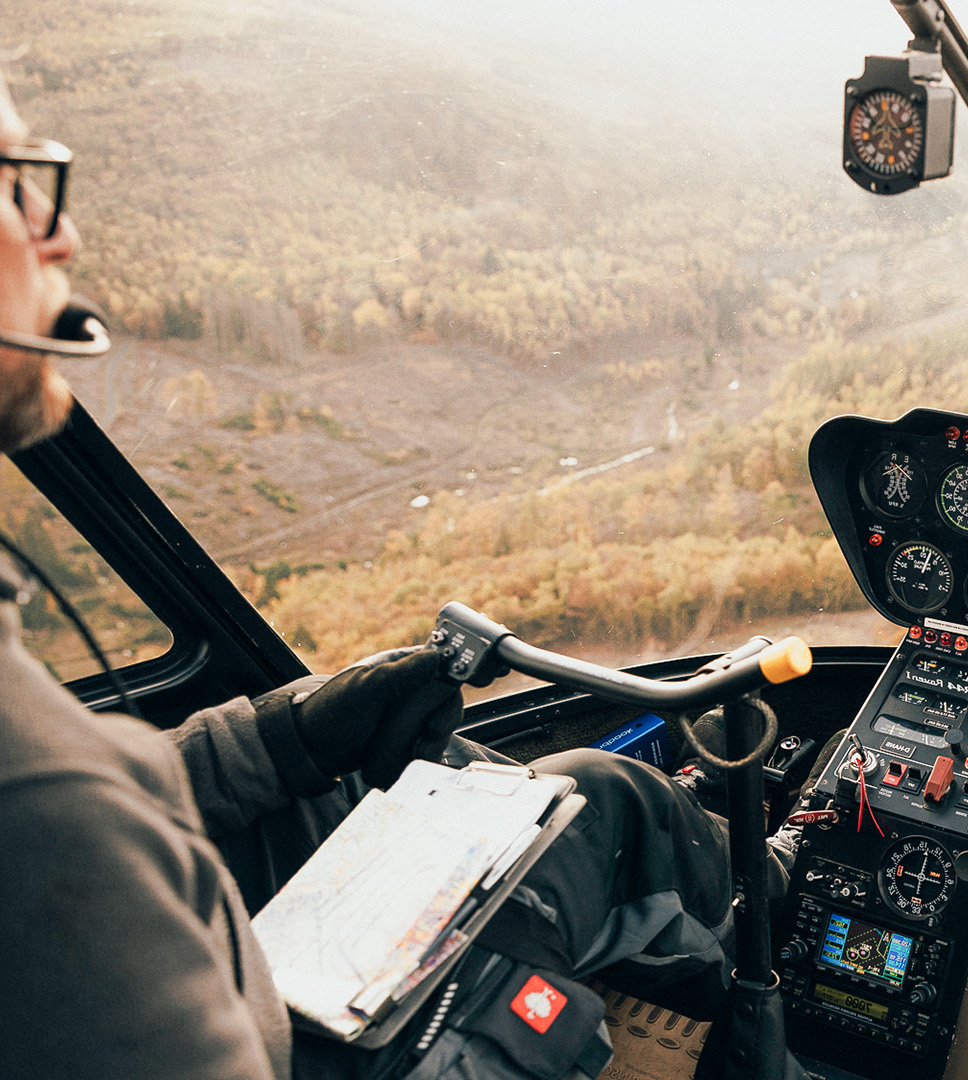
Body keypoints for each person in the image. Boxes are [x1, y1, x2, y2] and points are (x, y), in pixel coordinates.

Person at [0, 73, 779, 1079]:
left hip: (212, 946)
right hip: (279, 1029)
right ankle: (780, 927)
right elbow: (66, 823)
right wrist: (486, 1015)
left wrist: (281, 737)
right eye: (16, 188)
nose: (57, 237)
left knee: (529, 791)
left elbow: (111, 797)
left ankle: (776, 893)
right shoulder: (43, 807)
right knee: (604, 832)